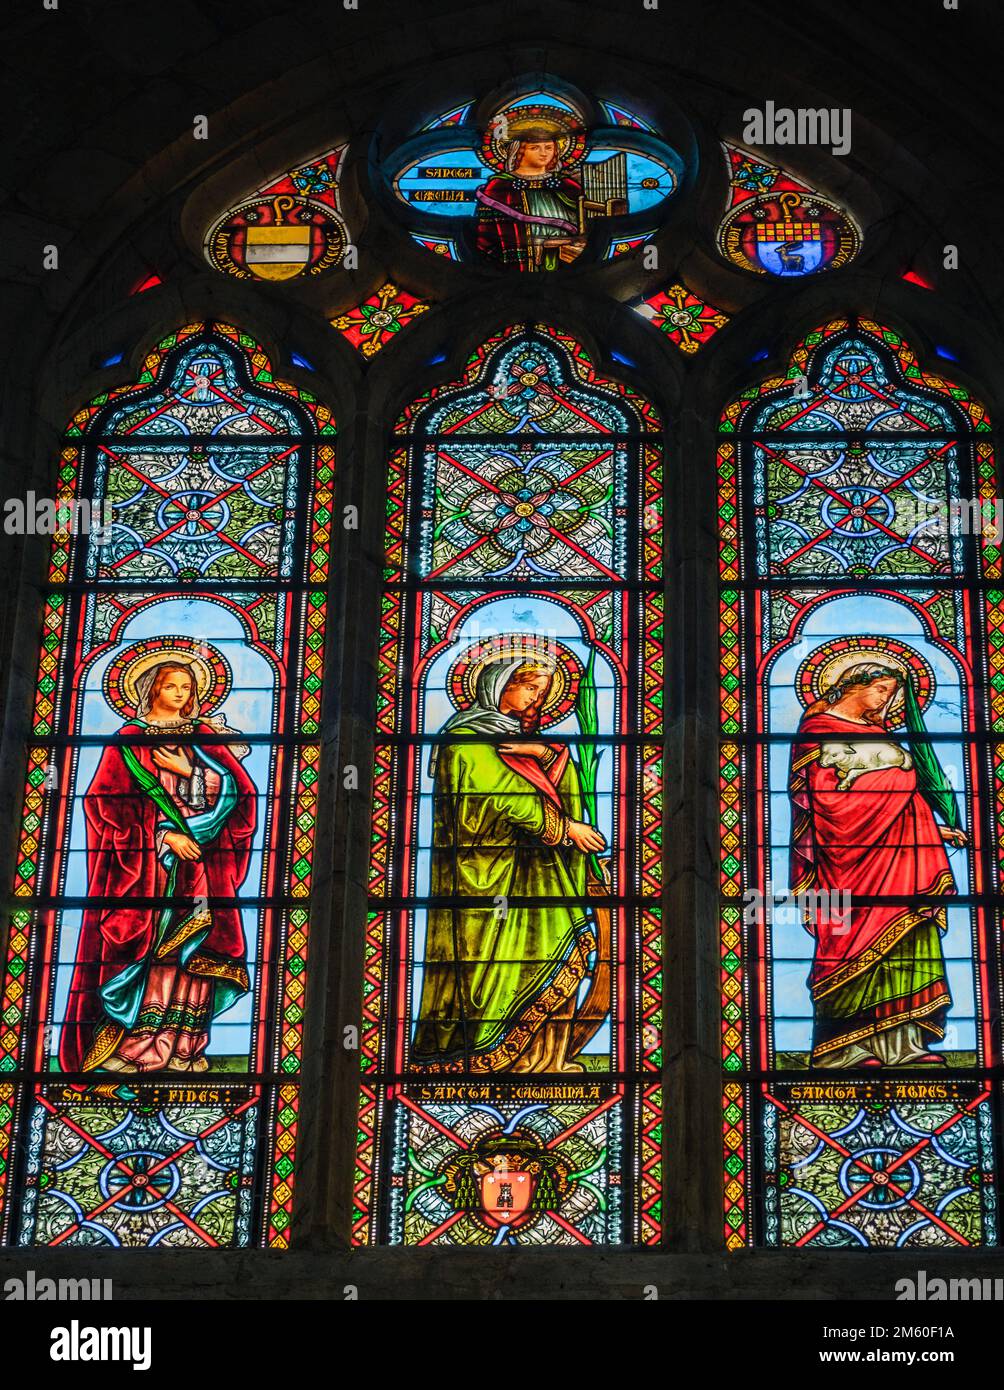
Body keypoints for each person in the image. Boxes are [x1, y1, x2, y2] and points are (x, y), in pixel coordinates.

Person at [60, 658, 256, 1074]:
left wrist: (190, 771)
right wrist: (163, 836)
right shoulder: (128, 741)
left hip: (203, 866)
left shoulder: (202, 736)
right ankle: (136, 1045)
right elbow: (103, 804)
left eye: (188, 686)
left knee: (194, 953)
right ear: (152, 688)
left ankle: (184, 1047)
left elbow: (242, 794)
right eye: (172, 686)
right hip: (149, 870)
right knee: (152, 952)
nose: (182, 694)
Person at [412, 654, 606, 1072]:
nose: (538, 698)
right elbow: (499, 795)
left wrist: (548, 754)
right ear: (500, 683)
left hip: (535, 871)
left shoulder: (514, 737)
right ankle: (481, 1056)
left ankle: (543, 1060)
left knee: (549, 952)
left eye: (542, 691)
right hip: (485, 873)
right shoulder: (465, 737)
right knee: (489, 967)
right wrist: (567, 829)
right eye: (531, 687)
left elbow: (543, 785)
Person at [789, 660, 966, 1068]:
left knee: (909, 940)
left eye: (893, 695)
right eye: (882, 690)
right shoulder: (818, 730)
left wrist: (935, 831)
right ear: (853, 685)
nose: (887, 702)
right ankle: (844, 1049)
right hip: (847, 865)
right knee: (847, 942)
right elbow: (831, 798)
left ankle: (903, 1046)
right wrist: (904, 774)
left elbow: (905, 806)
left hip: (904, 865)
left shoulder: (878, 736)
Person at [474, 127, 585, 271]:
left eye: (549, 148)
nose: (544, 153)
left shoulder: (567, 184)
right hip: (516, 261)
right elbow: (487, 231)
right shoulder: (499, 185)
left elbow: (587, 224)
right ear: (520, 151)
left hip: (566, 256)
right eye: (535, 148)